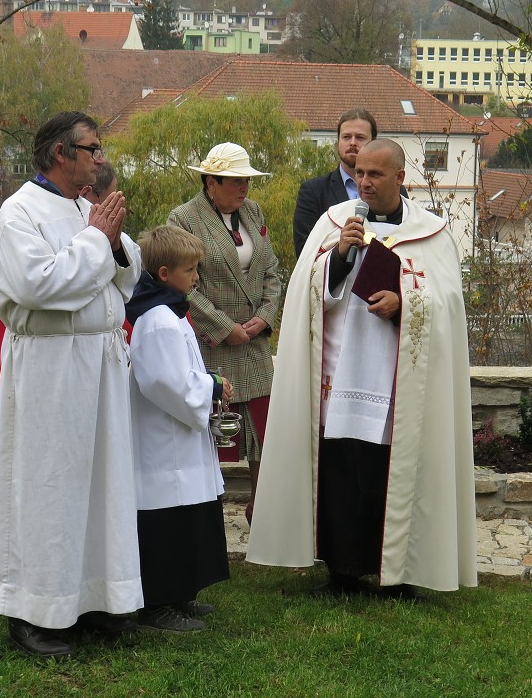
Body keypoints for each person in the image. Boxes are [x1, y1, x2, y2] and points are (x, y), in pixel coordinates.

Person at [247, 138, 477, 600]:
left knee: (387, 473)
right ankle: (342, 573)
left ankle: (397, 575)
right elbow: (307, 290)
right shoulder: (335, 223)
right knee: (342, 473)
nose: (365, 183)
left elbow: (450, 304)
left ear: (400, 177)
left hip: (399, 382)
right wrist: (336, 259)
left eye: (375, 174)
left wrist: (404, 304)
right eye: (359, 173)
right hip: (340, 372)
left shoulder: (432, 233)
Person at [0, 111, 143, 660]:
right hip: (52, 363)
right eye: (92, 149)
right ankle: (37, 609)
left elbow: (125, 277)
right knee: (50, 484)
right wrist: (99, 240)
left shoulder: (84, 208)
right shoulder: (20, 211)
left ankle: (97, 596)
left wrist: (114, 243)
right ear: (60, 154)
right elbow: (38, 286)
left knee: (101, 484)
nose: (101, 158)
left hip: (99, 358)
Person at [125, 225, 233, 633]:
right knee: (166, 521)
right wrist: (212, 386)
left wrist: (204, 384)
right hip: (162, 442)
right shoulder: (157, 320)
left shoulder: (170, 312)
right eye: (191, 270)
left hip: (180, 438)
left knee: (188, 516)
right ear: (165, 273)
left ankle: (181, 592)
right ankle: (157, 604)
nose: (198, 277)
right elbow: (164, 382)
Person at [168, 143, 281, 526]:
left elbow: (271, 272)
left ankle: (262, 513)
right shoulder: (183, 219)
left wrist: (264, 317)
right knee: (218, 432)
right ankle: (207, 517)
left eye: (246, 180)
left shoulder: (254, 212)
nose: (244, 187)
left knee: (265, 433)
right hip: (214, 343)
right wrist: (223, 328)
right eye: (234, 181)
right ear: (210, 182)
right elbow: (182, 286)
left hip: (255, 342)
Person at [292, 108, 378, 258]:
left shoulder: (393, 191)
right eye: (346, 137)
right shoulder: (313, 191)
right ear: (338, 142)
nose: (352, 143)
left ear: (374, 143)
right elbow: (304, 252)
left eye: (360, 137)